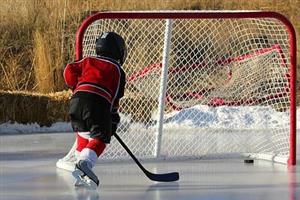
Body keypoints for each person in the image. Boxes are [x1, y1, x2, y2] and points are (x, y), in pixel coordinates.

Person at [63, 31, 127, 186]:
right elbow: (114, 98)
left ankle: (81, 172)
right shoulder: (118, 70)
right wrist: (112, 120)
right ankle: (85, 164)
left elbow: (68, 70)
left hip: (76, 102)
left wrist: (76, 86)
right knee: (100, 137)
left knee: (83, 134)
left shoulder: (87, 60)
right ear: (119, 51)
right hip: (98, 103)